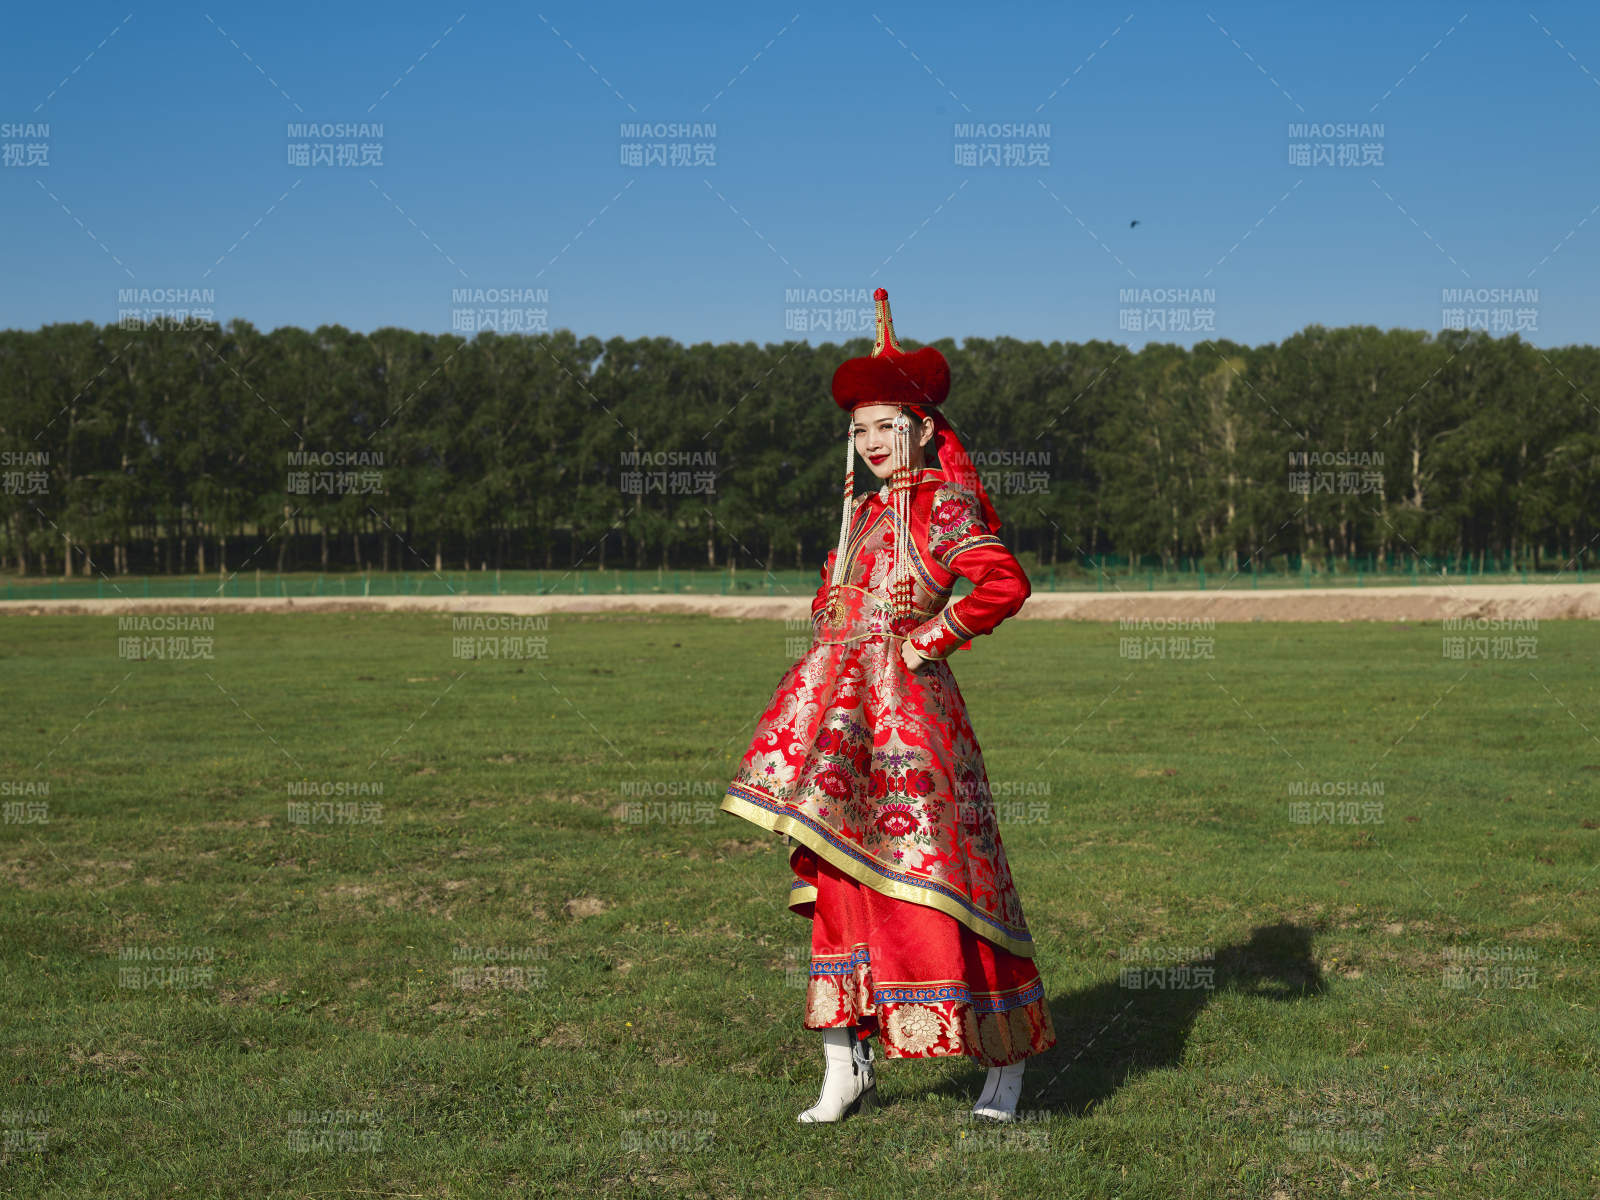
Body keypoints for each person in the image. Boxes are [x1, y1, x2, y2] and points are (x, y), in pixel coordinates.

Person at [721, 288, 1056, 1124]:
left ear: (922, 427)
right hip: (847, 722)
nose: (870, 443)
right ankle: (844, 1067)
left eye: (885, 426)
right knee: (839, 877)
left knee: (941, 879)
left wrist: (927, 638)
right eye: (859, 429)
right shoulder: (863, 513)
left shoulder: (940, 502)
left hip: (916, 722)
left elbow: (1003, 583)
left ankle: (1003, 1066)